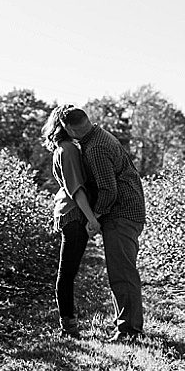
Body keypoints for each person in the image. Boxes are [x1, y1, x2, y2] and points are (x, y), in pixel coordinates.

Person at [60, 106, 146, 341]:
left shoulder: (95, 148)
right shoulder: (99, 135)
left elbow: (109, 190)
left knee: (122, 273)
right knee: (121, 271)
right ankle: (127, 326)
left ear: (69, 129)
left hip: (121, 213)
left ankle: (129, 331)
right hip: (128, 210)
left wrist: (94, 217)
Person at [41, 105, 100, 338]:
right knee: (66, 274)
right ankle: (68, 326)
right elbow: (76, 189)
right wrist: (91, 218)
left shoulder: (65, 148)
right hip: (75, 214)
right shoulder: (67, 150)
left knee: (67, 273)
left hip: (72, 214)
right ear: (65, 126)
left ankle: (68, 325)